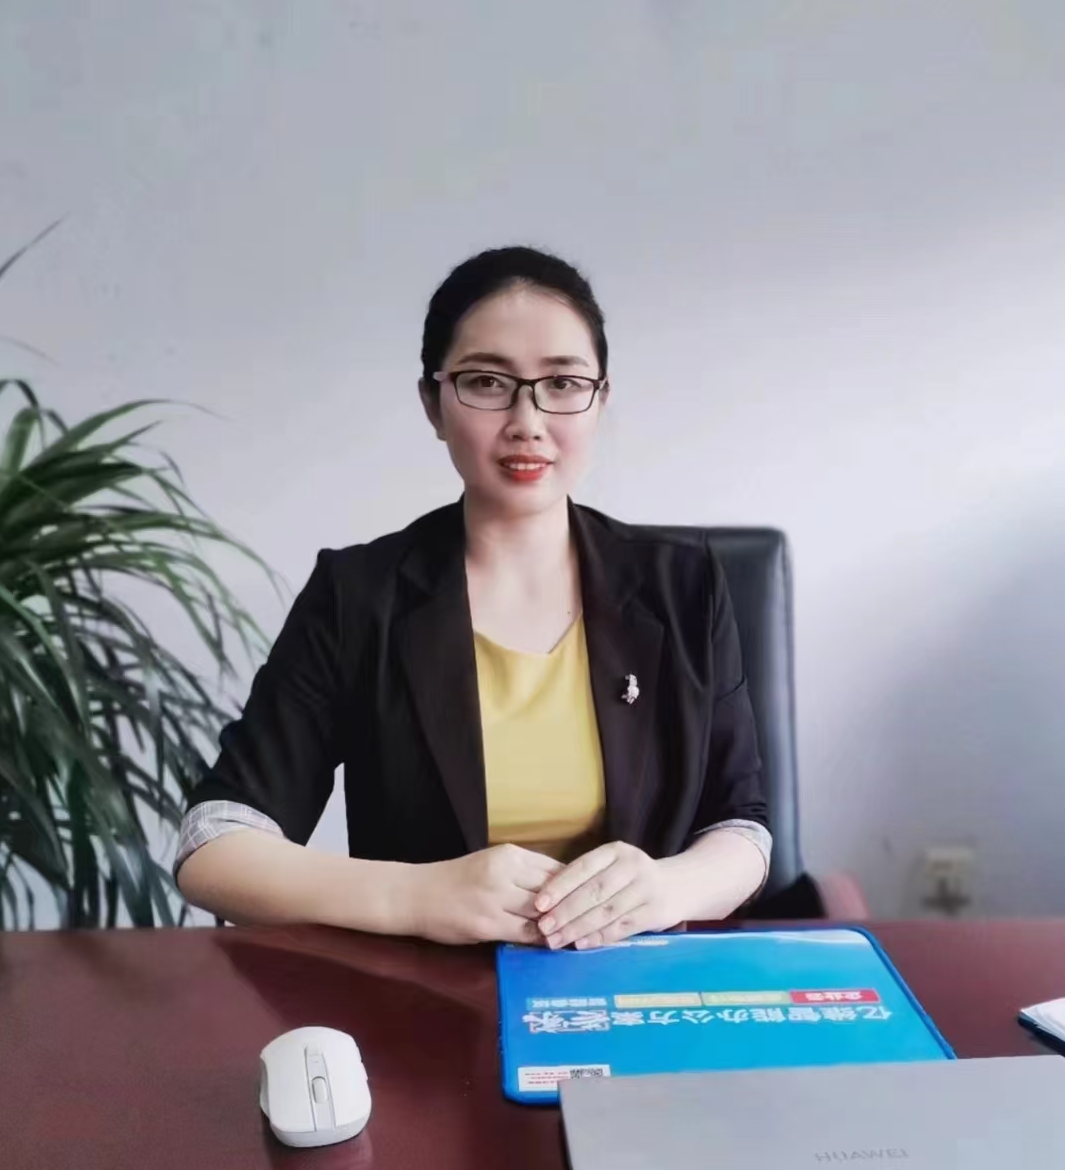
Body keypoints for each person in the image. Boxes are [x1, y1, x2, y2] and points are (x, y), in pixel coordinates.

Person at [175, 246, 770, 950]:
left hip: (637, 985)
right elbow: (215, 842)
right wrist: (416, 896)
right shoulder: (358, 595)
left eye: (562, 383)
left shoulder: (685, 585)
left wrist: (666, 888)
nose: (526, 419)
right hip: (424, 989)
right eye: (486, 382)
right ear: (433, 403)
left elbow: (741, 825)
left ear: (600, 400)